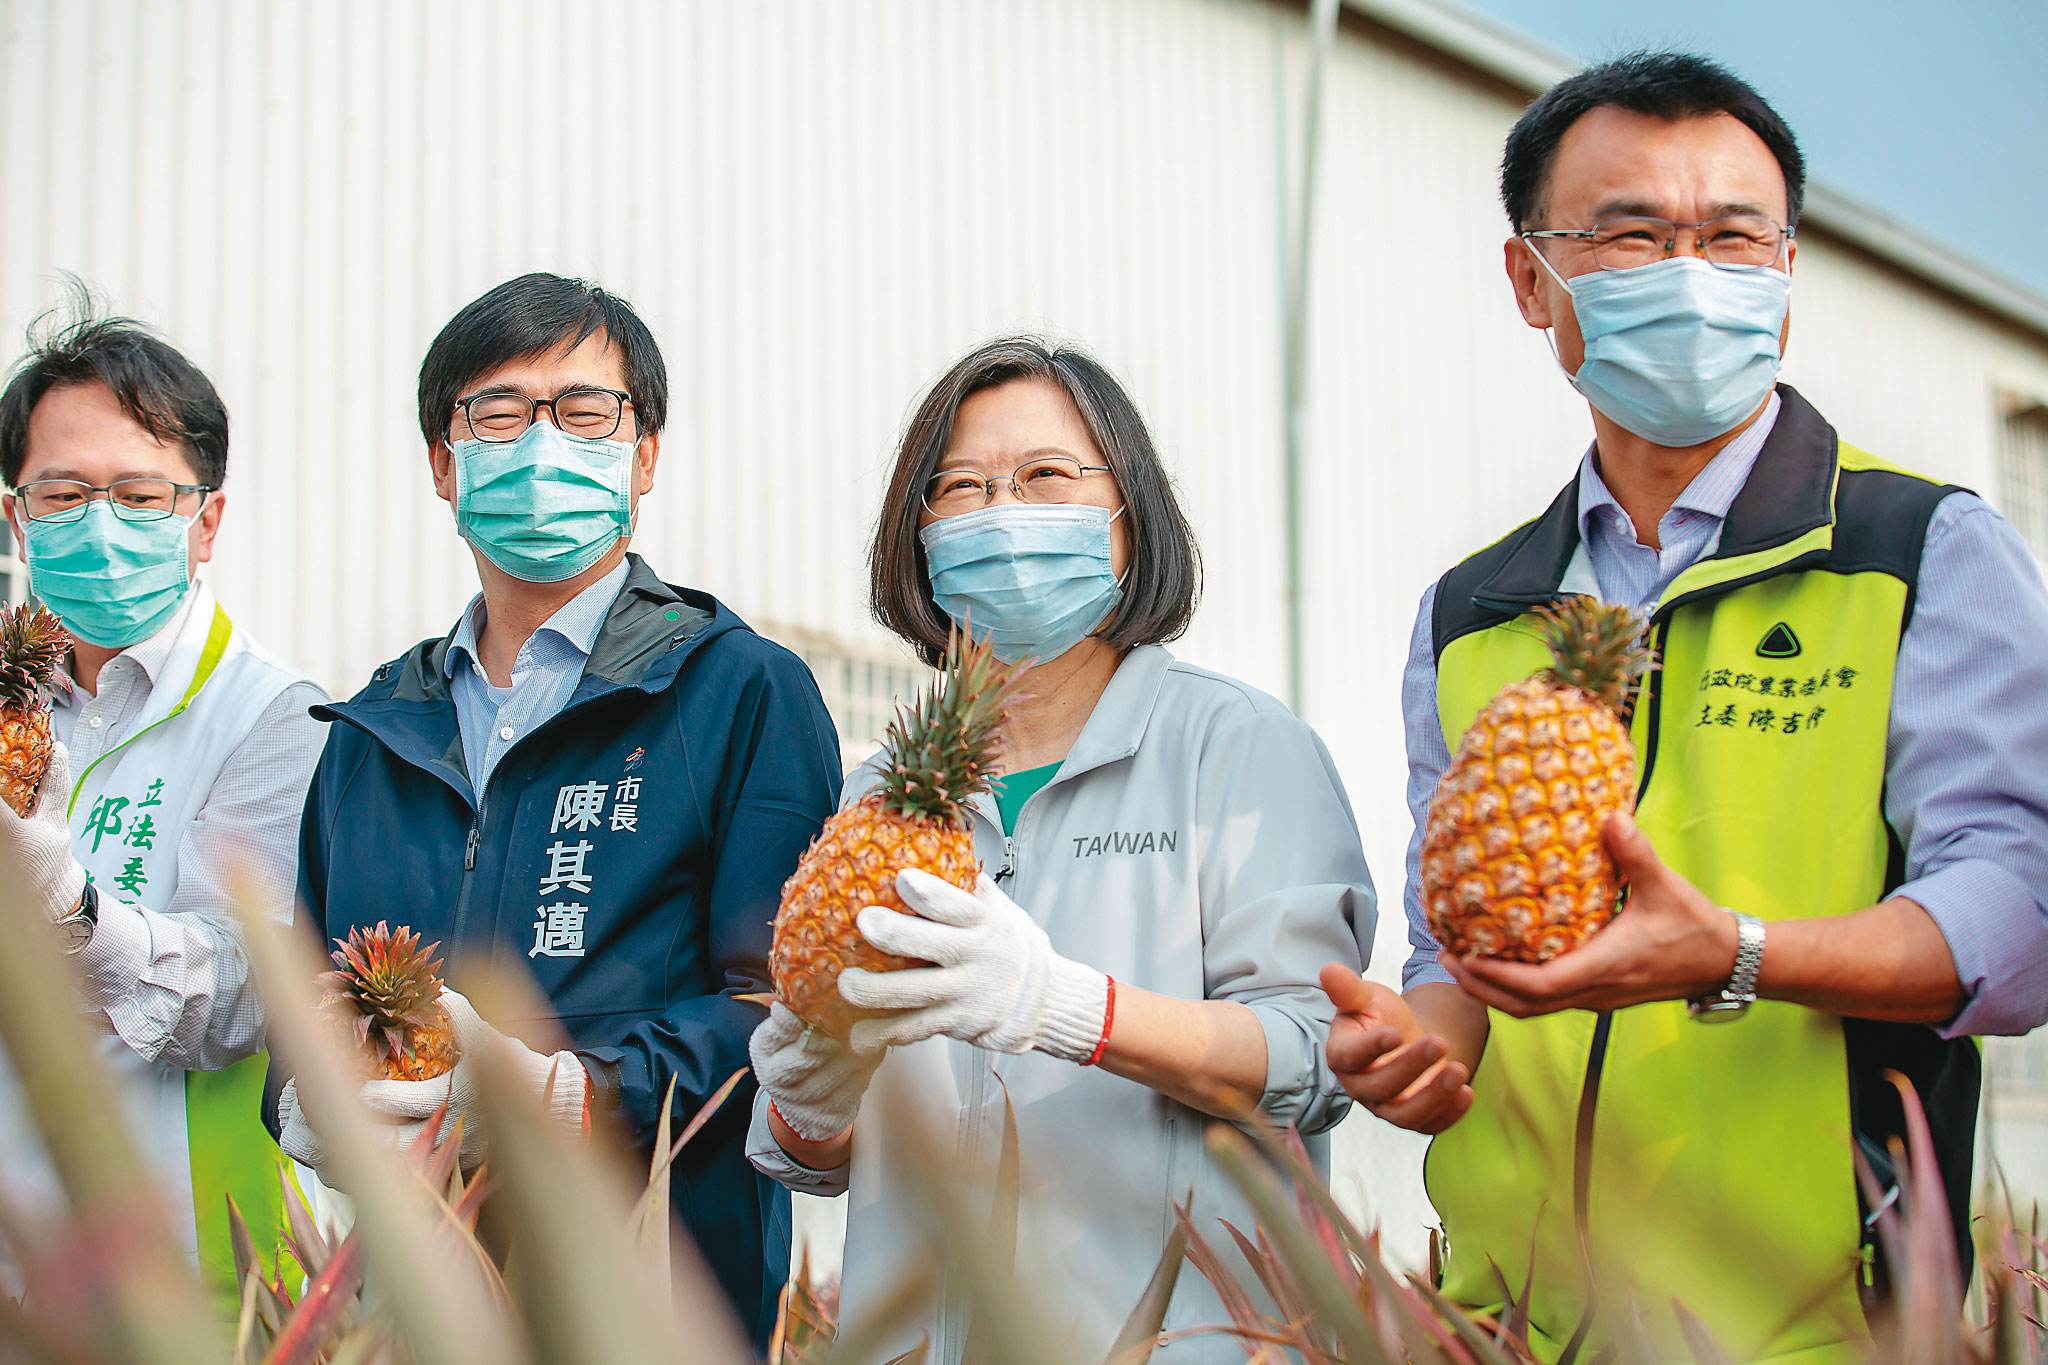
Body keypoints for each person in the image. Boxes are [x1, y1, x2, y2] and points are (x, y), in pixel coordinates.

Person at [1323, 51, 2048, 1363]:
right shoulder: (1473, 609)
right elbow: (1458, 950)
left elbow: (2018, 915)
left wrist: (1740, 953)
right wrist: (1420, 1048)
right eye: (1632, 234)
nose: (1692, 272)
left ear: (1784, 280)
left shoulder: (1917, 550)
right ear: (1532, 280)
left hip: (1824, 1322)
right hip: (1517, 1323)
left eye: (1733, 236)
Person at [748, 336, 1376, 1362]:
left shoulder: (1236, 748)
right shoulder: (879, 798)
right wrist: (810, 1104)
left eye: (1045, 477)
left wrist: (1068, 1010)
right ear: (917, 537)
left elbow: (1315, 1057)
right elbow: (819, 1157)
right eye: (959, 487)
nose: (1003, 512)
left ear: (1130, 517)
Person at [263, 272, 840, 1345]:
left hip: (660, 1299)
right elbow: (302, 1001)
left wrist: (575, 1097)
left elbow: (785, 1007)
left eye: (583, 411)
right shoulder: (375, 726)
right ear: (444, 462)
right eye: (498, 411)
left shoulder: (735, 691)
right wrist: (309, 1107)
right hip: (418, 1304)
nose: (541, 442)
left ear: (644, 455)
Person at [0, 298, 327, 1305]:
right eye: (62, 492)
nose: (99, 521)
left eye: (139, 494)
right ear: (16, 513)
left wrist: (70, 909)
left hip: (187, 1272)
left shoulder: (278, 717)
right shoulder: (14, 702)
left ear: (206, 519)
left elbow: (240, 994)